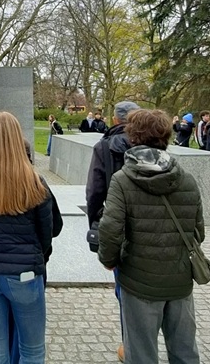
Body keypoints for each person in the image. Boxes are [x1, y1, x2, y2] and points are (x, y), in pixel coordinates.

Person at [98, 109, 204, 364]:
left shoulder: (123, 180)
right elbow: (198, 232)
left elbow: (111, 230)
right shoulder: (187, 180)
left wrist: (109, 259)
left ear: (132, 136)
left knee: (141, 352)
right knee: (185, 351)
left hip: (139, 280)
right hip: (179, 280)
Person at [0, 112, 56, 364]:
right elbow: (45, 234)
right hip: (25, 274)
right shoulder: (35, 182)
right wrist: (37, 260)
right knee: (32, 349)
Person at [85, 100, 140, 363]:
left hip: (120, 226)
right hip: (157, 226)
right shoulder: (154, 145)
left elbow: (95, 193)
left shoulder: (104, 147)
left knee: (126, 290)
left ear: (116, 120)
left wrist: (96, 229)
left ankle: (132, 348)